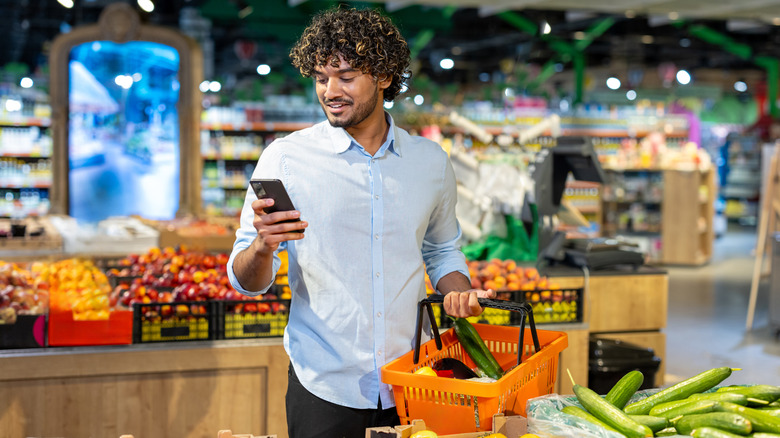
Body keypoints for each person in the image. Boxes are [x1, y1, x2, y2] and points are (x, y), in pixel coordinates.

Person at [227, 7, 495, 438]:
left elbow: (442, 249)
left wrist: (460, 294)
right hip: (323, 384)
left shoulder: (429, 162)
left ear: (385, 76)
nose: (330, 90)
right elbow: (246, 281)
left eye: (346, 76)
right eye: (320, 77)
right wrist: (262, 247)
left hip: (414, 381)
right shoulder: (286, 158)